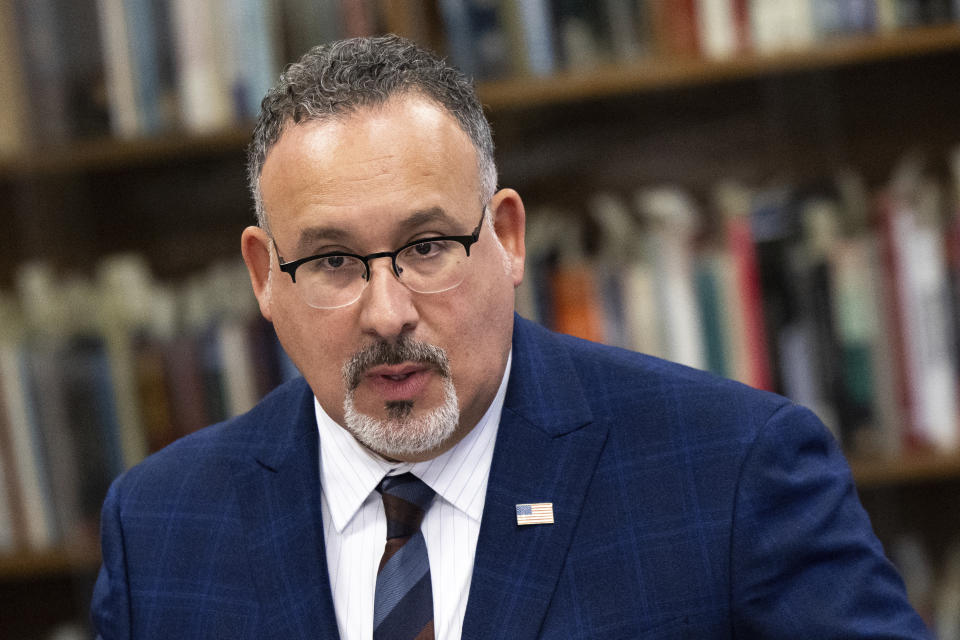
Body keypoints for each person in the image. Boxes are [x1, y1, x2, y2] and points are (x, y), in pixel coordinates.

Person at [92, 35, 931, 639]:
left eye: (426, 248)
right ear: (263, 276)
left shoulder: (731, 471)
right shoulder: (162, 526)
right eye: (334, 261)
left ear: (508, 237)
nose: (387, 313)